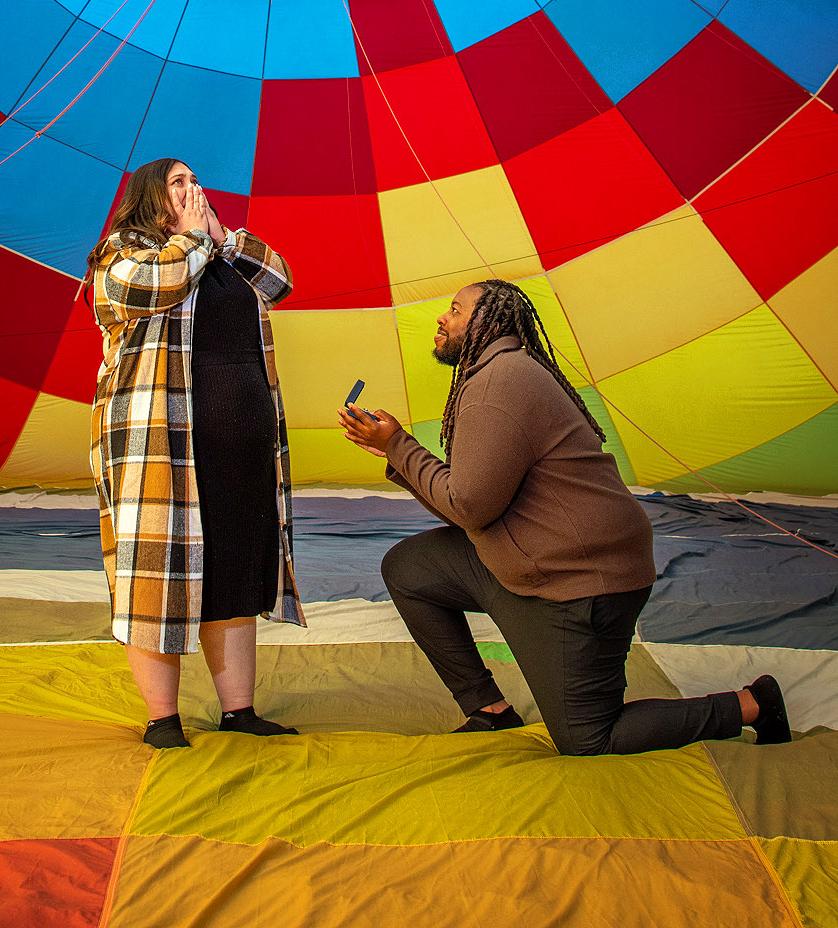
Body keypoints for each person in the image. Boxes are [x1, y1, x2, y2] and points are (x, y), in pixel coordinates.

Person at [338, 277, 791, 755]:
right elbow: (469, 510)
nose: (441, 317)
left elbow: (468, 505)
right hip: (537, 564)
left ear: (488, 321)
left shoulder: (498, 382)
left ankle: (750, 704)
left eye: (455, 309)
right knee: (410, 567)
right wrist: (394, 451)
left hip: (585, 583)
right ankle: (490, 712)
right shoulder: (497, 374)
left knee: (588, 738)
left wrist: (399, 446)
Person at [87, 156, 304, 748]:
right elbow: (147, 287)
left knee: (232, 573)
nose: (195, 190)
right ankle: (163, 719)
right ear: (151, 196)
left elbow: (280, 282)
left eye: (197, 181)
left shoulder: (219, 253)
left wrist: (222, 239)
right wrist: (190, 241)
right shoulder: (122, 253)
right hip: (161, 449)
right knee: (159, 577)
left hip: (240, 450)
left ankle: (240, 710)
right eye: (179, 182)